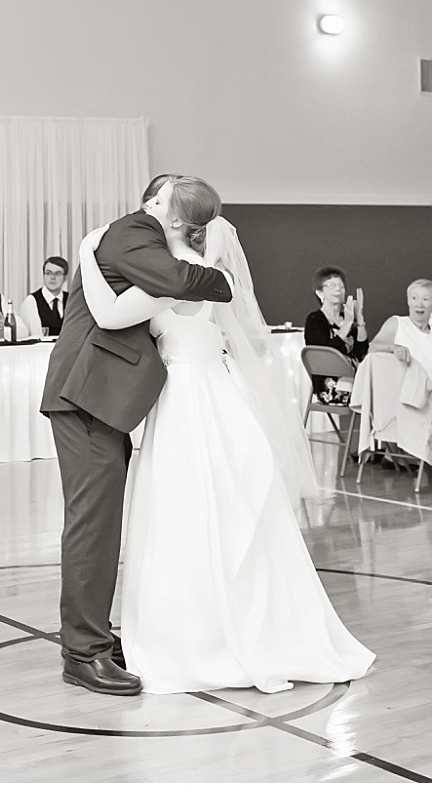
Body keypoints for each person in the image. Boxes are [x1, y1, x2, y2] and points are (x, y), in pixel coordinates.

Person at [77, 199, 375, 694]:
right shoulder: (216, 279)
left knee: (179, 510)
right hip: (219, 393)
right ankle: (252, 619)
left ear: (173, 224)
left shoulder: (172, 279)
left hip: (180, 399)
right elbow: (243, 342)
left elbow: (109, 315)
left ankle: (188, 635)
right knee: (229, 507)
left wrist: (89, 251)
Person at [40, 174, 233, 696]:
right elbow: (187, 281)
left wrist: (209, 279)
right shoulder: (130, 231)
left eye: (161, 195)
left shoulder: (137, 236)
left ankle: (96, 635)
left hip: (105, 399)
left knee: (105, 527)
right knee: (92, 529)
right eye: (157, 192)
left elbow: (194, 283)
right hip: (86, 395)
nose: (150, 200)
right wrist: (213, 279)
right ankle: (83, 653)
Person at [304, 266, 368, 405]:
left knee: (388, 386)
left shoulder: (347, 317)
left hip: (357, 381)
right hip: (332, 388)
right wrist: (347, 323)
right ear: (320, 293)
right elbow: (327, 355)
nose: (338, 289)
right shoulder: (315, 319)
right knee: (381, 393)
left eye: (341, 286)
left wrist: (360, 318)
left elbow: (361, 352)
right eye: (332, 285)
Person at [368, 278, 431, 381]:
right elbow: (372, 347)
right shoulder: (397, 323)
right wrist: (394, 348)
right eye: (414, 298)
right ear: (408, 300)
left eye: (425, 299)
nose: (419, 304)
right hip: (405, 391)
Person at [18, 256, 69, 338]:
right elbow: (34, 336)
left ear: (65, 278)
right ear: (43, 275)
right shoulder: (31, 301)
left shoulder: (72, 300)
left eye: (58, 274)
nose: (52, 277)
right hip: (41, 349)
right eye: (48, 273)